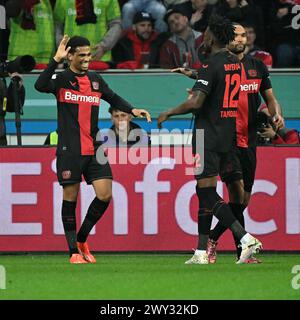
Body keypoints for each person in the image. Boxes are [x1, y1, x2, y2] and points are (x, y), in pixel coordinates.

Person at [35, 35, 151, 264]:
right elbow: (39, 85)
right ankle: (72, 252)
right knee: (71, 198)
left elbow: (112, 97)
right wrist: (53, 61)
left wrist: (132, 109)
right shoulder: (61, 79)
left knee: (105, 194)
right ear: (70, 56)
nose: (87, 58)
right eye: (82, 55)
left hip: (94, 146)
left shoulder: (95, 79)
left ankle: (82, 238)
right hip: (70, 149)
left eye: (89, 54)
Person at [173, 22, 283, 263]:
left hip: (249, 139)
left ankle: (217, 240)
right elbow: (209, 82)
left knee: (241, 200)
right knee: (223, 191)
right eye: (236, 35)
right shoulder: (222, 65)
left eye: (244, 34)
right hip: (226, 138)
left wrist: (275, 114)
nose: (240, 39)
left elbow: (270, 98)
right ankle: (230, 247)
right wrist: (193, 76)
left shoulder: (257, 67)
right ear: (227, 39)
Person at [157, 14, 262, 264]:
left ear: (213, 36)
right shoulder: (234, 63)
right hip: (229, 136)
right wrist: (194, 74)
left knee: (205, 193)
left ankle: (244, 237)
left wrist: (169, 112)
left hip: (208, 137)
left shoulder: (210, 64)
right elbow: (217, 82)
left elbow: (197, 102)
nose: (203, 37)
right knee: (207, 191)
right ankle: (201, 252)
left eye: (206, 33)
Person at [53, 0, 122, 65]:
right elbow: (57, 24)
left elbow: (116, 24)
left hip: (100, 58)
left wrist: (104, 46)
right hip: (72, 58)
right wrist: (63, 48)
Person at [6, 0, 55, 67]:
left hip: (45, 59)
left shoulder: (46, 2)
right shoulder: (24, 2)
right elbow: (11, 10)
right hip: (22, 59)